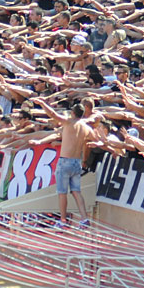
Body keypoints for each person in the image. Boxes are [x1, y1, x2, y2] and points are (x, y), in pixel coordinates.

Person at [33, 98, 92, 229]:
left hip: (65, 161)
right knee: (76, 191)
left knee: (62, 193)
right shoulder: (86, 127)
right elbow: (94, 138)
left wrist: (42, 104)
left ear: (72, 112)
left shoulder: (69, 122)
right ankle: (84, 218)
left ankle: (63, 220)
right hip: (77, 162)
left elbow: (53, 114)